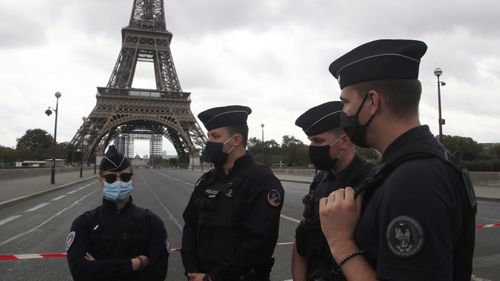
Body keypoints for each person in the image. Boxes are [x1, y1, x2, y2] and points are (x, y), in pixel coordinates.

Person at [319, 39, 477, 281]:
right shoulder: (408, 167)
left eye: (346, 102)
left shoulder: (415, 180)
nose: (344, 114)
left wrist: (340, 242)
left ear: (372, 102)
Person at [181, 105, 284, 281]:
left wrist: (214, 277)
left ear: (236, 140)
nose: (208, 142)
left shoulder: (261, 180)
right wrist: (192, 270)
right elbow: (190, 225)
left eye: (215, 136)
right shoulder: (207, 180)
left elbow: (259, 242)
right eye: (208, 136)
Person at [292, 101, 375, 281]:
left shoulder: (371, 181)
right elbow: (302, 240)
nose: (312, 148)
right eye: (311, 141)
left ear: (344, 141)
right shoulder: (320, 179)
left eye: (318, 141)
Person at [66, 145, 169, 281]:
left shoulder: (153, 222)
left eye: (125, 177)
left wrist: (98, 267)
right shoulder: (83, 224)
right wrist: (135, 263)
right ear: (101, 182)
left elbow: (157, 274)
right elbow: (80, 273)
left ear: (132, 179)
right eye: (110, 178)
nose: (118, 182)